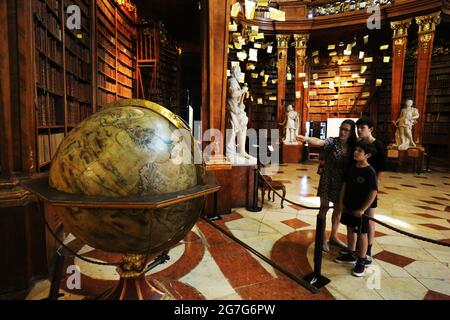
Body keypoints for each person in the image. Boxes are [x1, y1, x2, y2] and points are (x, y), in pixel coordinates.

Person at [297, 119, 357, 252]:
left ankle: (334, 236)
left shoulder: (354, 146)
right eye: (341, 128)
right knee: (323, 208)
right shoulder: (333, 141)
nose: (342, 132)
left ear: (352, 132)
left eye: (346, 130)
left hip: (343, 182)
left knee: (338, 210)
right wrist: (306, 138)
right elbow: (320, 142)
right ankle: (321, 238)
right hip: (328, 179)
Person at [334, 141, 378, 277]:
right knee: (350, 229)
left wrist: (363, 209)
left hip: (360, 210)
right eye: (356, 149)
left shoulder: (370, 171)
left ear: (367, 155)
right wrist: (341, 202)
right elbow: (344, 186)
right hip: (349, 206)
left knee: (362, 233)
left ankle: (361, 260)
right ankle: (351, 253)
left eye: (360, 151)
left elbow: (373, 192)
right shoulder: (351, 168)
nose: (356, 152)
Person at [356, 117, 387, 261]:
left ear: (371, 129)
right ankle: (359, 246)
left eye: (362, 127)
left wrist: (374, 188)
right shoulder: (358, 144)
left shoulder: (378, 145)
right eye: (358, 127)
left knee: (369, 218)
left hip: (370, 186)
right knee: (359, 218)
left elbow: (382, 169)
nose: (359, 130)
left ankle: (368, 248)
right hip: (358, 185)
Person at [226, 65, 256, 164]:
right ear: (235, 72)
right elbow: (233, 94)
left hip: (237, 109)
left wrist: (241, 102)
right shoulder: (231, 81)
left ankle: (242, 151)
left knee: (242, 128)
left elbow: (237, 98)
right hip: (233, 110)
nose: (239, 74)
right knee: (233, 130)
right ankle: (230, 152)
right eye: (238, 72)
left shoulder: (235, 81)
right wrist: (243, 90)